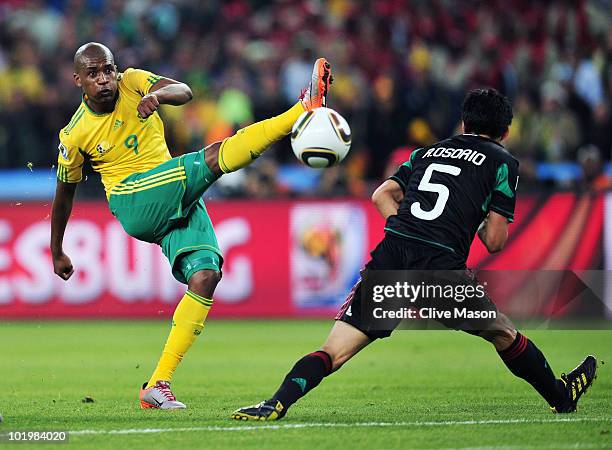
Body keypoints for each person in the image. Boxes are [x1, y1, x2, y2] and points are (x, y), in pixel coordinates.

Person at [232, 88, 597, 421]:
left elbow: (380, 196)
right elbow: (496, 241)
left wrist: (412, 230)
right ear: (504, 132)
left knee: (334, 350)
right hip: (441, 266)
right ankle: (560, 395)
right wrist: (472, 219)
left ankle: (275, 402)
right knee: (503, 332)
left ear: (464, 122)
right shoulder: (502, 162)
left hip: (393, 256)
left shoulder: (427, 152)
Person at [50, 42, 332, 409]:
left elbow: (184, 91)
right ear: (78, 80)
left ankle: (157, 383)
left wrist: (159, 96)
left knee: (206, 275)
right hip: (133, 199)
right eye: (94, 74)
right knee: (214, 157)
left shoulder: (133, 81)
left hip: (172, 193)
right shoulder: (75, 135)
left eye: (108, 69)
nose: (104, 79)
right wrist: (57, 250)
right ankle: (301, 110)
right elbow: (64, 195)